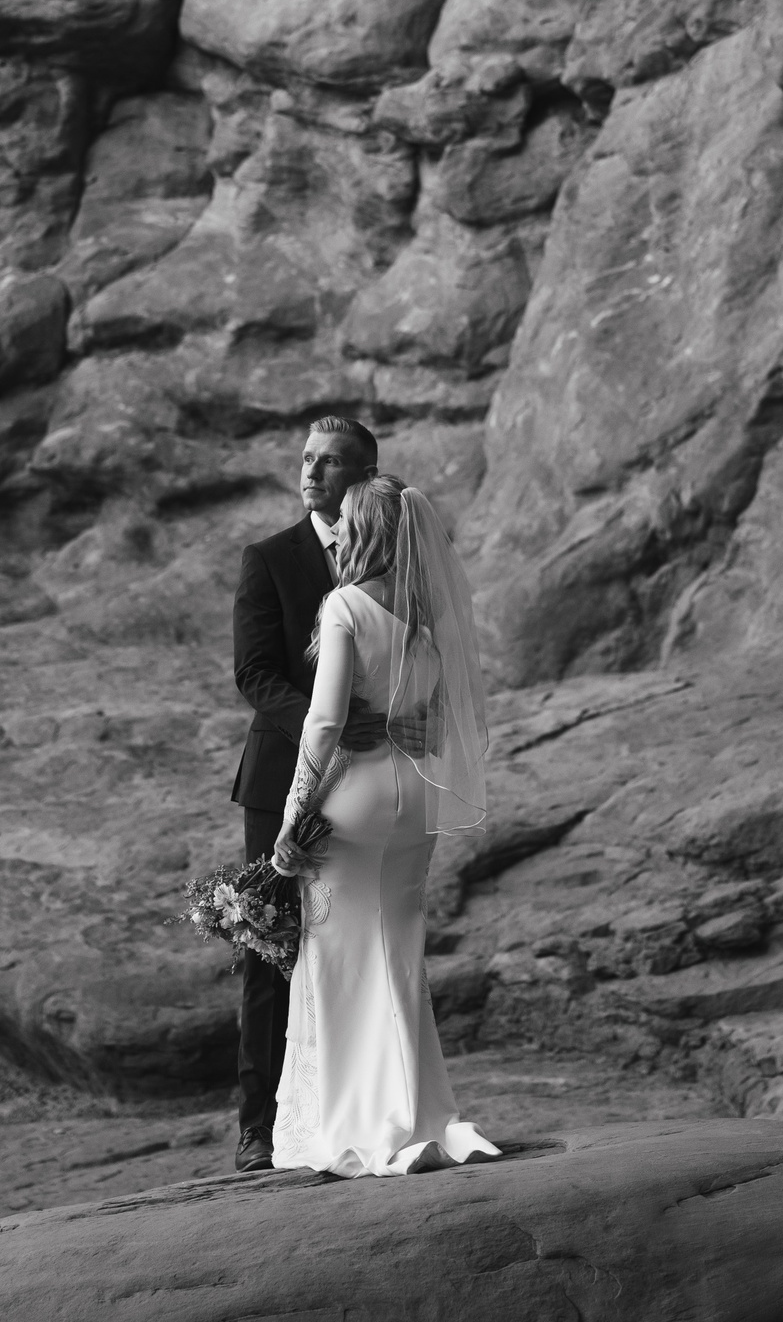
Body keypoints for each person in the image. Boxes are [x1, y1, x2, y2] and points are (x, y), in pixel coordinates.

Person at [267, 472, 498, 1176]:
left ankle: (360, 1122)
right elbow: (440, 720)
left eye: (345, 519)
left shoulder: (345, 605)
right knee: (398, 956)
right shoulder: (428, 620)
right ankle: (421, 1115)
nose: (336, 529)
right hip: (414, 798)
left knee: (338, 959)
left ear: (365, 529)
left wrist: (293, 812)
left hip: (355, 800)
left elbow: (325, 721)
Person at [228, 415, 394, 1175]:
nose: (311, 473)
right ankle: (258, 1128)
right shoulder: (270, 559)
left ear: (364, 477)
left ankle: (354, 1112)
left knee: (358, 940)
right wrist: (326, 726)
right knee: (271, 945)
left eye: (329, 462)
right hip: (279, 779)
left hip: (372, 785)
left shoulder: (396, 561)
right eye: (305, 459)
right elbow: (254, 673)